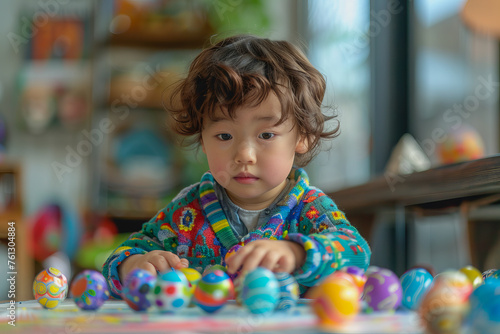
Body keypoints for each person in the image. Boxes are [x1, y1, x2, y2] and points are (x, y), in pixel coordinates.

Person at [102, 34, 371, 299]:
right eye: (224, 136)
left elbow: (357, 253)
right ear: (203, 140)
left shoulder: (310, 208)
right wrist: (134, 266)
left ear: (302, 136)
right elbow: (118, 260)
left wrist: (296, 252)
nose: (244, 155)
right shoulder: (188, 211)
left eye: (266, 135)